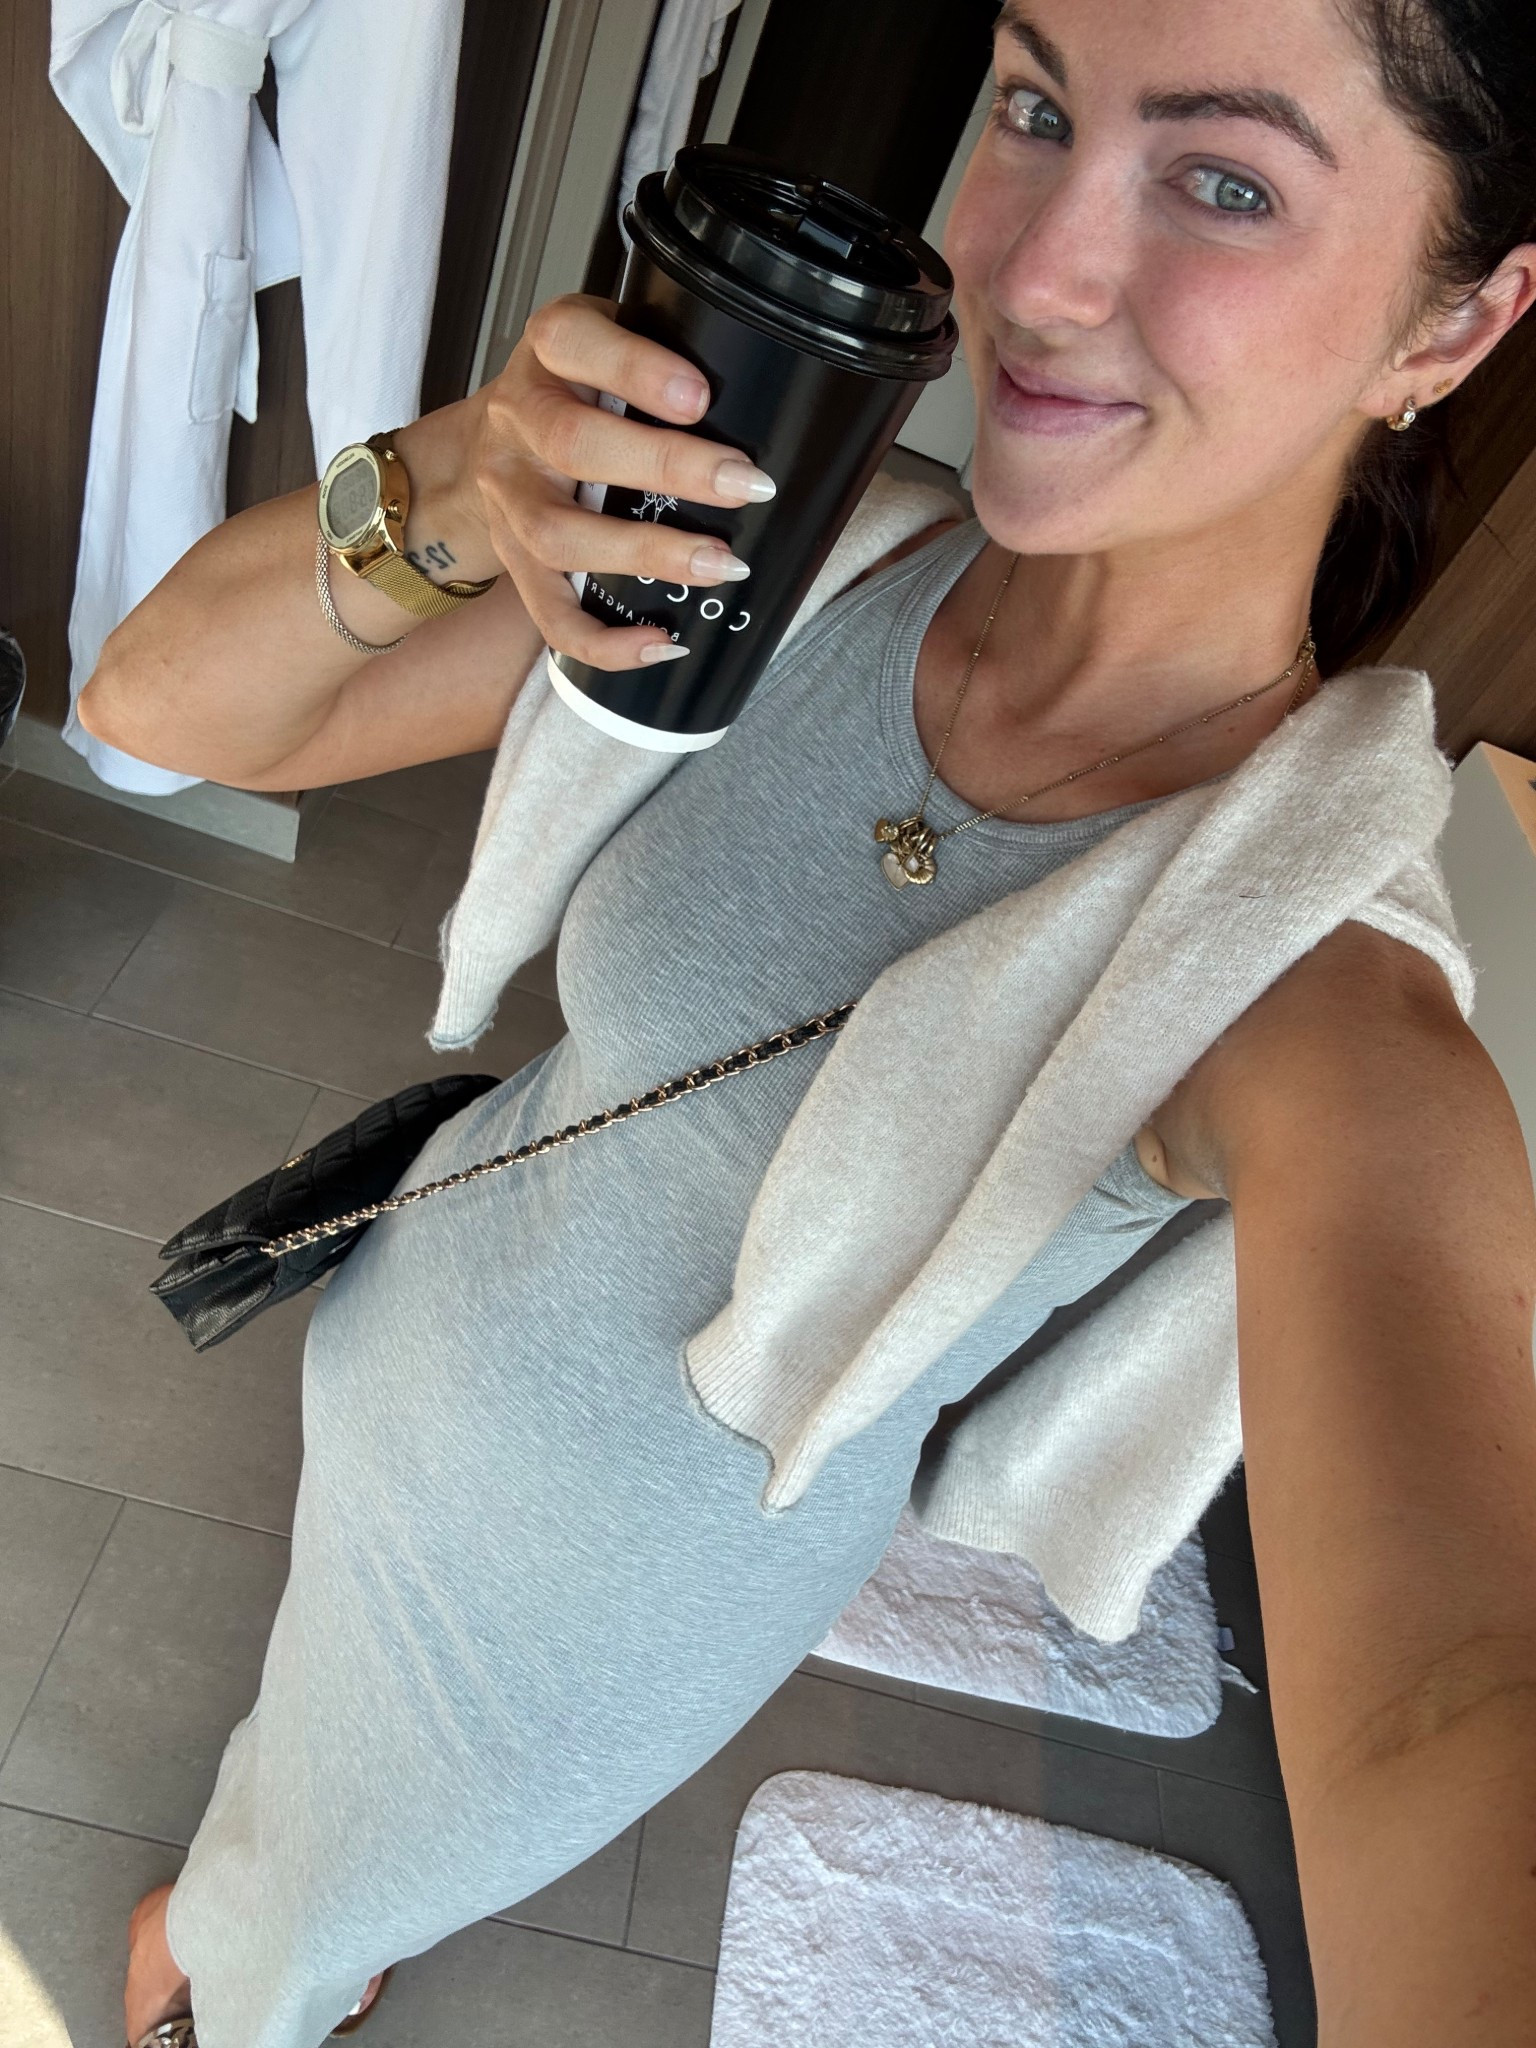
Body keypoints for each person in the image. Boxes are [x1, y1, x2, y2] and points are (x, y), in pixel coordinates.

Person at [79, 0, 1536, 2042]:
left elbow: (1450, 1698)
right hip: (413, 1315)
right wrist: (458, 477)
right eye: (1035, 104)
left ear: (1451, 325)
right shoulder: (818, 553)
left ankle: (253, 1989)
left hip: (572, 1631)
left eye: (1225, 180)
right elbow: (155, 709)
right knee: (299, 1754)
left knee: (288, 1913)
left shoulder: (1300, 977)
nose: (1036, 270)